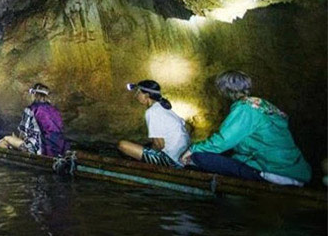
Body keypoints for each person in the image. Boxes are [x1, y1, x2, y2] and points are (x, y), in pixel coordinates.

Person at [180, 70, 311, 185]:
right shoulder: (262, 104)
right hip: (293, 170)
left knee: (199, 156)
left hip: (273, 170)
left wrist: (193, 149)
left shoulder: (245, 108)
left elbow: (223, 140)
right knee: (225, 157)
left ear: (225, 91)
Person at [0, 83, 69, 156]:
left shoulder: (31, 109)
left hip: (40, 150)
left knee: (7, 139)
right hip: (58, 148)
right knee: (12, 141)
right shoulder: (54, 110)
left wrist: (16, 140)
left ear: (34, 94)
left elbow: (23, 134)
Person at [118, 80, 189, 168]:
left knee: (122, 145)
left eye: (138, 93)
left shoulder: (152, 112)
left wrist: (148, 151)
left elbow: (159, 145)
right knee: (141, 145)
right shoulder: (161, 107)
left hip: (171, 160)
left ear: (146, 95)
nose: (136, 96)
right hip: (180, 156)